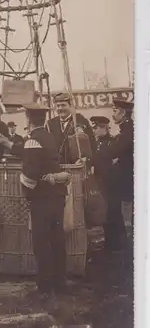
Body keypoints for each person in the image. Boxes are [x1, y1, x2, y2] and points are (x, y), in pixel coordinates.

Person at [0, 104, 69, 294]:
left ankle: (45, 284)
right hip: (57, 195)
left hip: (42, 197)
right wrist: (8, 143)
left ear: (27, 118)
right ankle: (60, 281)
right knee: (57, 239)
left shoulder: (32, 141)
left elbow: (30, 174)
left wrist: (24, 186)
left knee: (41, 242)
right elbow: (29, 150)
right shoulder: (48, 136)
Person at [90, 115, 126, 251]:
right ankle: (111, 244)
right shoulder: (97, 143)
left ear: (103, 127)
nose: (94, 131)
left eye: (95, 127)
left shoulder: (113, 142)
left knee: (114, 213)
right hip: (102, 183)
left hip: (112, 183)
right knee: (106, 213)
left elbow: (114, 163)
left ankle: (120, 245)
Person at [105, 99, 134, 225]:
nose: (113, 114)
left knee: (127, 211)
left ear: (123, 114)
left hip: (128, 176)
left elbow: (117, 150)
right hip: (126, 175)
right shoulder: (125, 129)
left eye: (115, 111)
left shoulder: (128, 130)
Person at [46, 93, 96, 164]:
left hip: (76, 166)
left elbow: (92, 143)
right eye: (58, 106)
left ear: (70, 106)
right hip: (56, 167)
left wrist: (86, 160)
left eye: (63, 105)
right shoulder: (50, 124)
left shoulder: (80, 120)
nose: (60, 108)